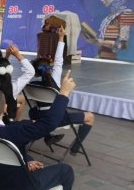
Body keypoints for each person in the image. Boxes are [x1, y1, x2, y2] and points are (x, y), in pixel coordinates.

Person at [30, 26, 95, 154]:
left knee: (38, 111)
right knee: (90, 117)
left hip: (38, 117)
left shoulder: (30, 84)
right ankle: (75, 148)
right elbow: (59, 59)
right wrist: (61, 37)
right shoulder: (53, 78)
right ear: (49, 68)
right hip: (55, 118)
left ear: (34, 72)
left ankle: (48, 136)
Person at [0, 45, 34, 121]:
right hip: (6, 121)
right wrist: (17, 55)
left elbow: (1, 67)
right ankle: (16, 121)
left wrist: (7, 55)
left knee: (21, 98)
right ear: (9, 69)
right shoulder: (13, 87)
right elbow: (31, 71)